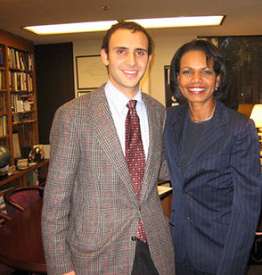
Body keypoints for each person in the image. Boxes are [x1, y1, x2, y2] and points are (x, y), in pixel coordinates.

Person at [41, 21, 174, 275]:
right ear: (105, 56)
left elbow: (165, 168)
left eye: (140, 52)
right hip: (97, 256)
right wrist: (61, 268)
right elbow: (56, 203)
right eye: (121, 51)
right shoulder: (73, 115)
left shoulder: (158, 112)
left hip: (155, 249)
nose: (132, 61)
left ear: (149, 58)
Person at [163, 39, 262, 275]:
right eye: (187, 72)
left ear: (217, 80)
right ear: (177, 78)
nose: (196, 80)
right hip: (176, 249)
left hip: (218, 252)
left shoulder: (239, 127)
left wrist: (231, 267)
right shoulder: (169, 120)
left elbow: (246, 209)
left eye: (205, 72)